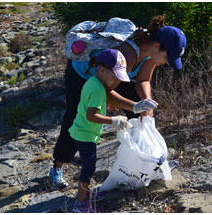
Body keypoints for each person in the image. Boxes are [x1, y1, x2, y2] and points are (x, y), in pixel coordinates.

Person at [49, 15, 187, 190]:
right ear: (157, 46)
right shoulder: (128, 54)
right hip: (83, 76)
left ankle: (148, 162)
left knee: (142, 112)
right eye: (168, 58)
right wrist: (133, 105)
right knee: (76, 118)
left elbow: (143, 80)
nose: (168, 62)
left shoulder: (151, 50)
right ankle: (56, 168)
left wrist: (146, 102)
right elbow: (104, 92)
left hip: (116, 75)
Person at [69, 49, 157, 213]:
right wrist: (113, 121)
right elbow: (91, 115)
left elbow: (94, 105)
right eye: (114, 75)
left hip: (83, 132)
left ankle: (85, 195)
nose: (116, 80)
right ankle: (80, 204)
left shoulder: (94, 83)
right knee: (88, 169)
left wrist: (130, 106)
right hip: (85, 134)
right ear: (101, 70)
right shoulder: (97, 88)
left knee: (89, 166)